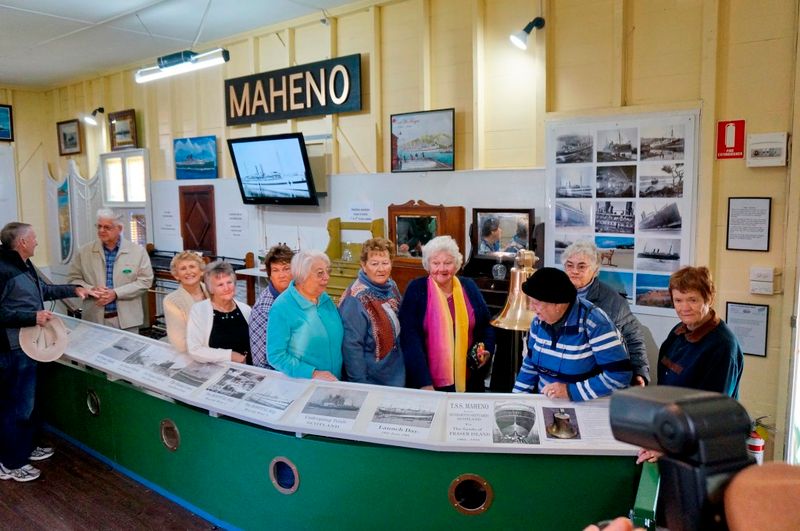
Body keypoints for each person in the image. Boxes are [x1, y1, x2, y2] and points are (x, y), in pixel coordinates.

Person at [0, 222, 94, 482]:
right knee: (16, 407)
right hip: (12, 350)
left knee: (29, 404)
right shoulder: (3, 269)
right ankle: (11, 463)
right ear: (21, 243)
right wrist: (31, 316)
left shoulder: (24, 265)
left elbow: (43, 291)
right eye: (33, 238)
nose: (37, 242)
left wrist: (74, 289)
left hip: (29, 346)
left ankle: (26, 447)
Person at [638, 266, 744, 464]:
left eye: (692, 300)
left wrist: (669, 448)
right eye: (678, 300)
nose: (684, 307)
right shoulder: (679, 330)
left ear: (708, 299)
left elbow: (712, 415)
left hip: (702, 450)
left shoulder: (722, 346)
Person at [513, 267, 631, 401]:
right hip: (548, 402)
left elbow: (620, 376)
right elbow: (530, 364)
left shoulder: (594, 323)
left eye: (536, 303)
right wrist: (518, 400)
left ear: (557, 304)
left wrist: (570, 391)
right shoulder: (538, 322)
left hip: (586, 405)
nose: (531, 308)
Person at [399, 236, 495, 392]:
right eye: (436, 263)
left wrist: (487, 351)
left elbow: (486, 326)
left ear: (456, 265)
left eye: (448, 263)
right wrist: (423, 382)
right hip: (429, 383)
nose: (442, 268)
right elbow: (409, 339)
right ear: (427, 265)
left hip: (469, 380)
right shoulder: (416, 289)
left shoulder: (468, 286)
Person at [561, 240, 650, 386]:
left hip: (596, 378)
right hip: (560, 375)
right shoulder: (553, 294)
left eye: (581, 266)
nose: (574, 271)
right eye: (569, 265)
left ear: (595, 271)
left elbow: (633, 337)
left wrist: (639, 372)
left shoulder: (613, 300)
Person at [68, 208, 153, 332]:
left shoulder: (137, 251)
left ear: (119, 229)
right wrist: (90, 289)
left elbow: (145, 281)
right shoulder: (84, 252)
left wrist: (116, 293)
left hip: (126, 322)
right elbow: (73, 279)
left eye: (107, 227)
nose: (102, 231)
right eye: (99, 226)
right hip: (94, 320)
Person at [267, 250, 343, 380]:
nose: (327, 277)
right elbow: (276, 355)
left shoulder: (324, 298)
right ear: (302, 275)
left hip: (334, 382)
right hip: (303, 384)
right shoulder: (282, 307)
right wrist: (312, 373)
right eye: (320, 273)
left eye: (327, 271)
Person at [338, 238, 404, 386]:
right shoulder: (355, 299)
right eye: (374, 264)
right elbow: (351, 347)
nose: (381, 269)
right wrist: (360, 384)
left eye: (385, 263)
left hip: (395, 371)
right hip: (372, 380)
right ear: (364, 265)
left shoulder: (391, 285)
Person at [186, 260, 252, 364]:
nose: (226, 288)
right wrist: (231, 355)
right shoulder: (199, 310)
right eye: (220, 285)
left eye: (229, 282)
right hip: (215, 370)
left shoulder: (246, 310)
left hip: (246, 370)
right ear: (211, 289)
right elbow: (194, 350)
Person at [249, 244, 294, 369]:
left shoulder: (300, 295)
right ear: (269, 275)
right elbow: (261, 361)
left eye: (286, 268)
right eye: (276, 270)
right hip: (282, 373)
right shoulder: (263, 310)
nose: (281, 275)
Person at [162, 251, 207, 353]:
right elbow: (180, 343)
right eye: (183, 268)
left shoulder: (214, 292)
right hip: (190, 355)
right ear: (176, 275)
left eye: (192, 266)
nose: (188, 272)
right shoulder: (171, 301)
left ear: (201, 271)